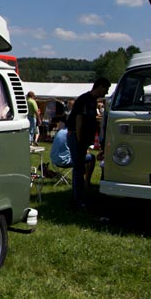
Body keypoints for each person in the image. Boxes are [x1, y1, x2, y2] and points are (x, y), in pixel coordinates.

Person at [65, 77, 111, 209]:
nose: (106, 92)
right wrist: (80, 140)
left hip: (81, 138)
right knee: (78, 169)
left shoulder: (92, 100)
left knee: (79, 168)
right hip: (76, 136)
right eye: (106, 89)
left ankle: (79, 196)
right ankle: (78, 200)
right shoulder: (85, 99)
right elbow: (79, 120)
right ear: (100, 87)